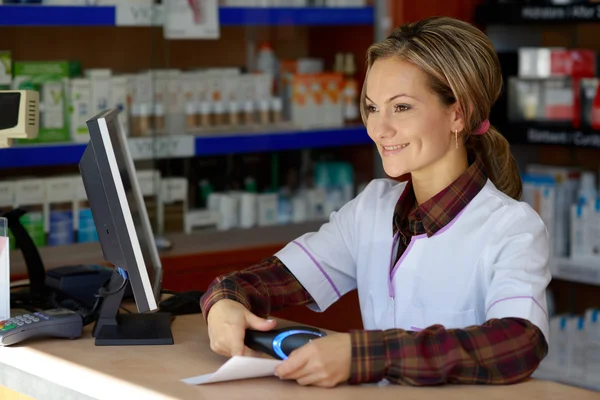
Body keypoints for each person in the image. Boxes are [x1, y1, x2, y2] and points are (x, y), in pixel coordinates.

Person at [199, 16, 551, 388]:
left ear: (457, 113)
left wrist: (361, 355)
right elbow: (277, 279)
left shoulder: (512, 227)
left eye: (401, 107)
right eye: (372, 107)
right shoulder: (372, 208)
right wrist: (224, 300)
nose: (378, 129)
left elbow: (520, 342)